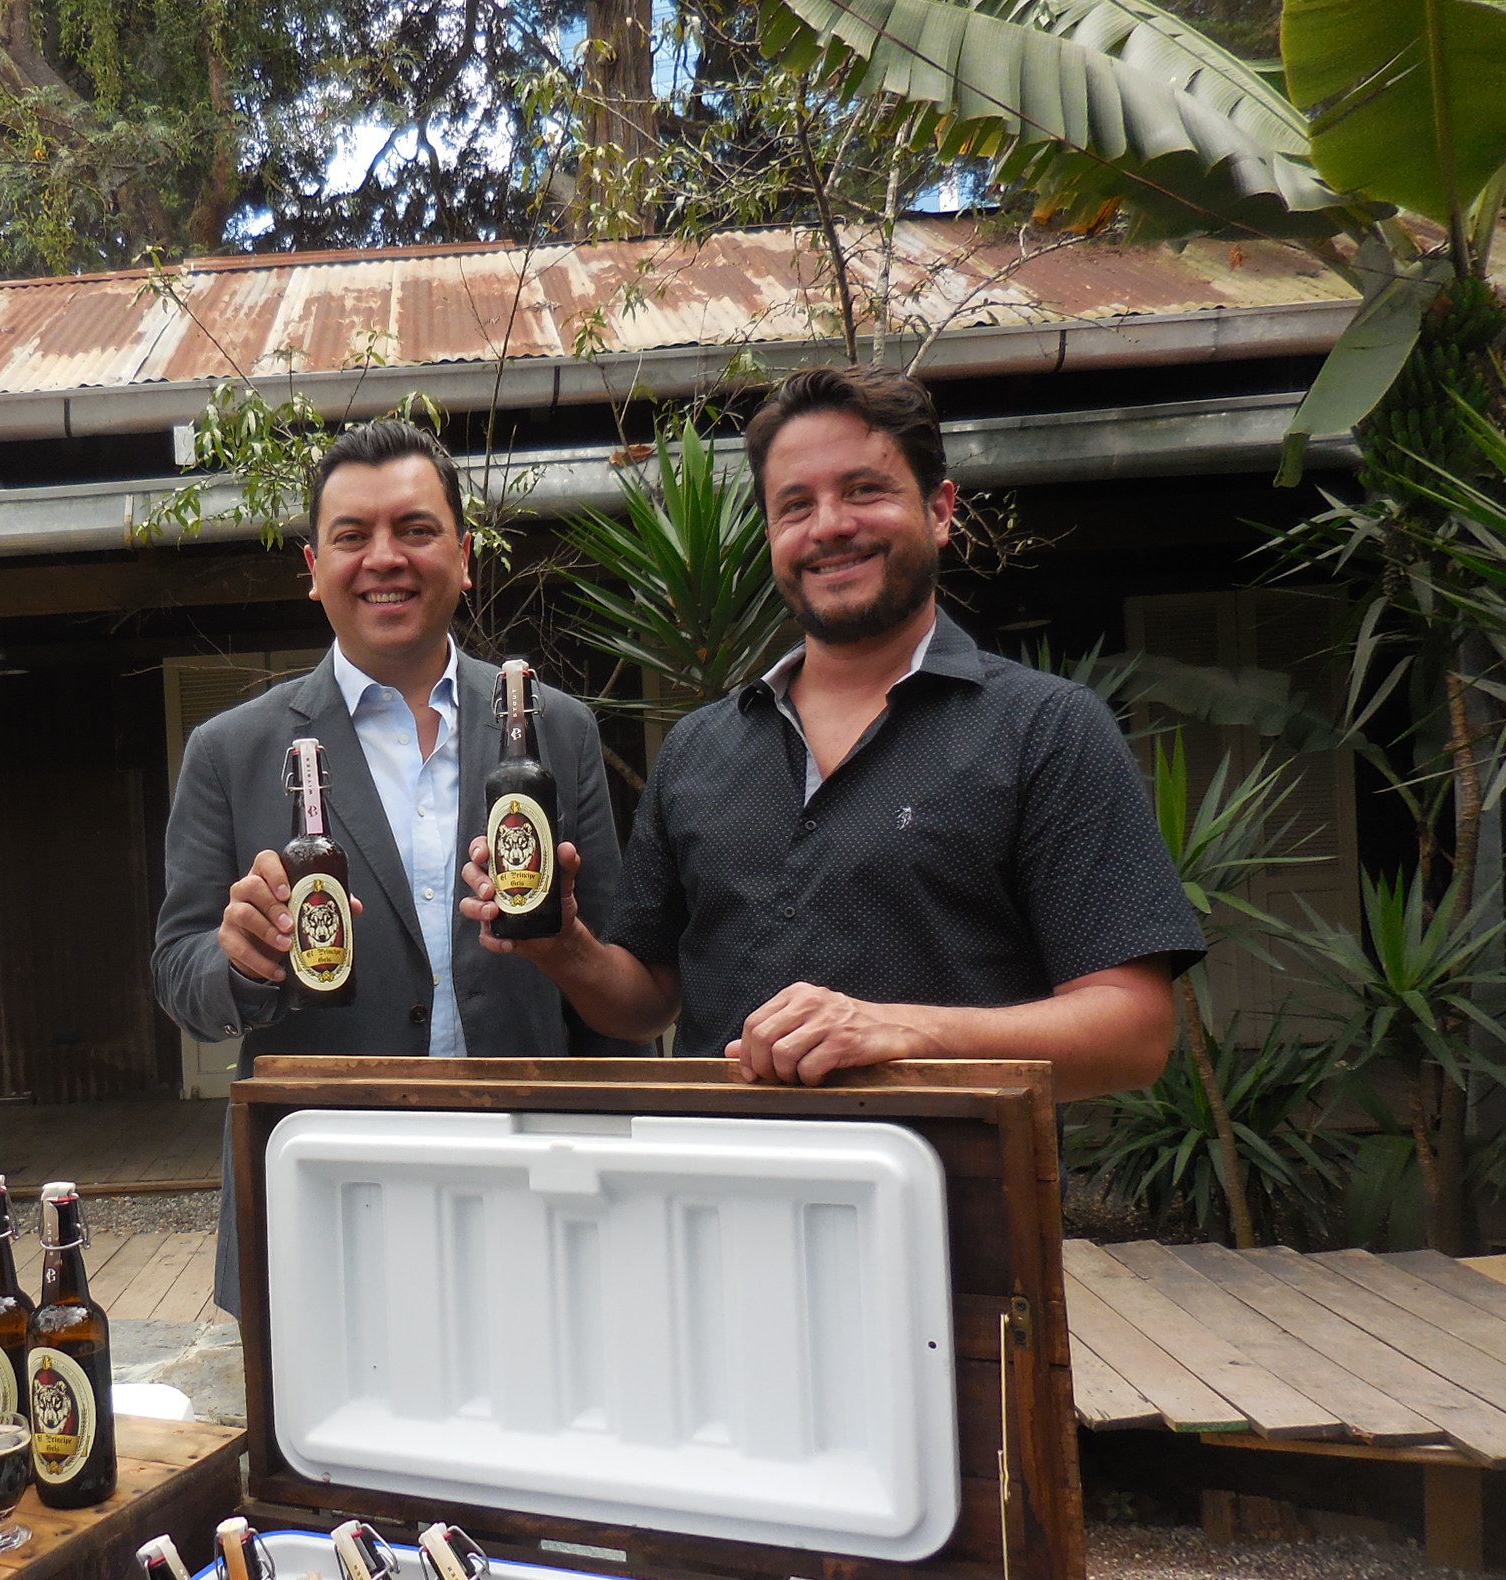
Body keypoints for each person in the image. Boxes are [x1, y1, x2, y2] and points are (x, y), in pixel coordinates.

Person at [462, 365, 1202, 1101]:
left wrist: (903, 1031)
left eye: (864, 490)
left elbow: (1133, 1032)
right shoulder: (698, 750)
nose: (829, 526)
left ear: (940, 511)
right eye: (795, 506)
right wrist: (565, 947)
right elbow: (646, 1001)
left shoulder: (1045, 730)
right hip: (720, 1198)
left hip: (955, 1199)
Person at [155, 419, 643, 1313]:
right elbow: (178, 971)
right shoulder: (233, 751)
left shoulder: (555, 727)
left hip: (532, 1180)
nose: (385, 558)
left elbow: (617, 973)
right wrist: (239, 958)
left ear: (464, 556)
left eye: (416, 530)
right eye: (352, 536)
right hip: (326, 1190)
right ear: (313, 567)